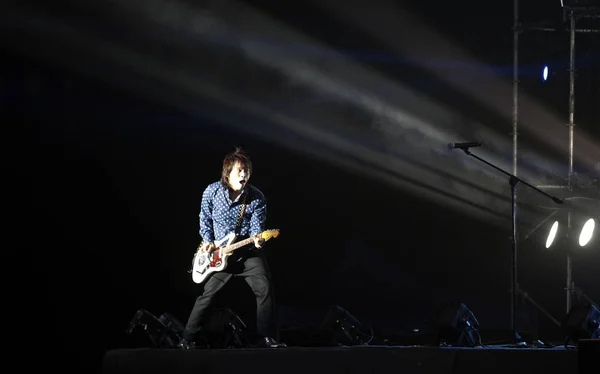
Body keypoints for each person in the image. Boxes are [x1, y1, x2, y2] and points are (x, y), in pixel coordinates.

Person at [179, 147, 286, 349]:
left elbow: (256, 227)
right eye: (239, 170)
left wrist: (258, 239)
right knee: (207, 296)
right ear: (227, 172)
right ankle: (186, 339)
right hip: (219, 254)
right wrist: (208, 240)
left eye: (247, 170)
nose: (244, 174)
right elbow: (204, 218)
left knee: (264, 287)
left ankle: (267, 338)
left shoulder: (256, 197)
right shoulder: (211, 191)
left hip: (246, 252)